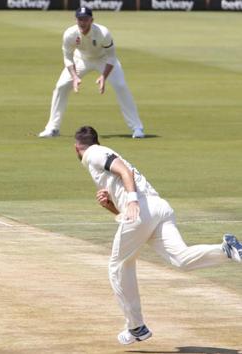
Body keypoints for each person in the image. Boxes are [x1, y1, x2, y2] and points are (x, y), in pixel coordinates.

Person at [74, 125, 241, 345]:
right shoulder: (99, 163)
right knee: (182, 259)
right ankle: (225, 250)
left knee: (118, 265)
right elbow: (124, 195)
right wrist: (112, 207)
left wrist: (132, 200)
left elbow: (124, 170)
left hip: (143, 208)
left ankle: (135, 327)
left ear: (77, 147)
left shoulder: (94, 153)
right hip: (158, 208)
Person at [38, 7, 145, 139]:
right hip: (81, 59)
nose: (82, 22)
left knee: (121, 86)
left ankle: (137, 127)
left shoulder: (103, 33)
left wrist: (103, 76)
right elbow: (68, 57)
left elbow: (111, 58)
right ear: (76, 20)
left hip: (104, 59)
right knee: (61, 86)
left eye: (85, 19)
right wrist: (74, 76)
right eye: (79, 19)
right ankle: (52, 128)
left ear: (91, 20)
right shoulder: (70, 34)